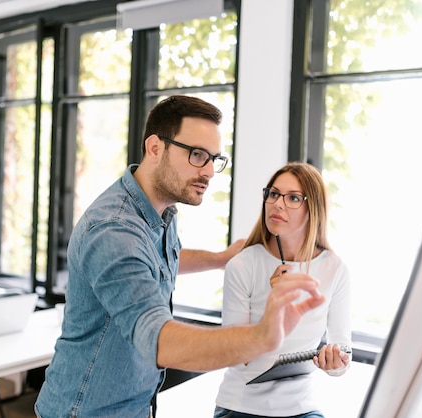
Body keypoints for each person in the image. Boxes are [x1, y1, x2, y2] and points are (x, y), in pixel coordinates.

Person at [34, 96, 326, 418]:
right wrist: (261, 336)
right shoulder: (113, 229)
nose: (210, 171)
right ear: (155, 147)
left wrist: (219, 258)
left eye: (215, 158)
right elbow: (159, 339)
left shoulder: (159, 210)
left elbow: (154, 261)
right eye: (198, 155)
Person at [213, 162, 352, 418]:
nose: (278, 204)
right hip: (241, 406)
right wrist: (274, 309)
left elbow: (342, 355)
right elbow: (234, 355)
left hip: (303, 408)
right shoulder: (243, 265)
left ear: (314, 209)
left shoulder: (335, 269)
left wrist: (334, 363)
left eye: (293, 198)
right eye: (274, 194)